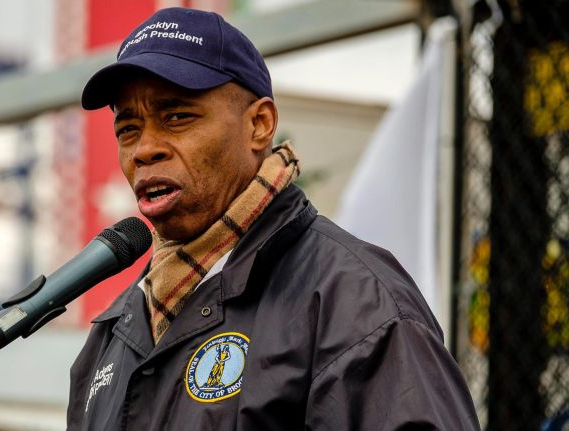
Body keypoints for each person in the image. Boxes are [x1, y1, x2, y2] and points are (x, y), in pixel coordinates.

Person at [67, 7, 480, 430]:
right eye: (127, 129)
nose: (144, 150)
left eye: (177, 117)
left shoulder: (357, 302)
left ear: (260, 125)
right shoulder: (116, 328)